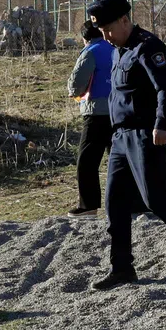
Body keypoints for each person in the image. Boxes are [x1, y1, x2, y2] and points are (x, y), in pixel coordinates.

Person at [86, 0, 166, 289]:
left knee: (155, 198)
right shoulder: (117, 50)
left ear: (124, 19)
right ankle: (122, 268)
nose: (105, 35)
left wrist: (162, 123)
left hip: (145, 134)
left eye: (107, 29)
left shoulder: (147, 46)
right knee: (114, 202)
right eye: (101, 31)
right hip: (120, 138)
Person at [65, 21, 116, 217]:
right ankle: (125, 204)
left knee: (86, 162)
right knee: (117, 160)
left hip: (96, 113)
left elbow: (76, 84)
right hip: (118, 110)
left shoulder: (90, 51)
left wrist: (73, 91)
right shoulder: (114, 48)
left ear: (85, 37)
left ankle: (88, 205)